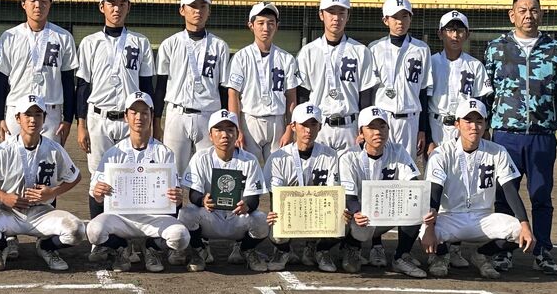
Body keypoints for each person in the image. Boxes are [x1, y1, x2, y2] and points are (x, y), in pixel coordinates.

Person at [484, 0, 557, 276]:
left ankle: (543, 251)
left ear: (541, 14)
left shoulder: (555, 50)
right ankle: (503, 251)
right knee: (504, 195)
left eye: (533, 10)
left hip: (541, 135)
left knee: (541, 195)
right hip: (505, 136)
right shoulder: (496, 48)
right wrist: (484, 127)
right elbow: (486, 92)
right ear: (512, 15)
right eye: (522, 10)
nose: (528, 15)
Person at [420, 98, 536, 279]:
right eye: (468, 121)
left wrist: (525, 224)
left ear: (485, 124)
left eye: (479, 121)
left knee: (521, 231)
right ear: (457, 124)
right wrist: (429, 228)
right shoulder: (441, 153)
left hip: (483, 217)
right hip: (449, 216)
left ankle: (482, 255)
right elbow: (434, 191)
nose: (474, 126)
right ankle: (441, 256)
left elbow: (510, 190)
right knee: (423, 229)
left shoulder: (498, 151)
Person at [0, 95, 84, 272]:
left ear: (44, 118)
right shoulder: (4, 149)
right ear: (18, 118)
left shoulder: (54, 149)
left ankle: (46, 247)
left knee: (76, 230)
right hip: (9, 211)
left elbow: (75, 177)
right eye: (27, 114)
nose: (33, 120)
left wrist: (53, 192)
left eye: (38, 114)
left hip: (41, 211)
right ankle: (2, 248)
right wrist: (3, 197)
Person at [74, 0, 154, 220]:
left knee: (133, 174)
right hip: (99, 117)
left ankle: (128, 231)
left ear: (129, 7)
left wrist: (149, 123)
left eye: (122, 3)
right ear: (102, 7)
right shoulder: (90, 42)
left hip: (132, 119)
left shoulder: (140, 42)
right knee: (98, 177)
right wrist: (81, 125)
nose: (116, 8)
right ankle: (99, 232)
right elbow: (83, 86)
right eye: (111, 3)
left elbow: (147, 87)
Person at [86, 91, 188, 273]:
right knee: (94, 231)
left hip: (153, 218)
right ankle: (121, 247)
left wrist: (177, 198)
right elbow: (95, 194)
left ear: (151, 116)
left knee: (181, 237)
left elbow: (174, 199)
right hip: (122, 218)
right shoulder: (113, 153)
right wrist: (98, 194)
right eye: (134, 112)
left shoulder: (164, 153)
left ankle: (152, 248)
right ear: (126, 117)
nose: (139, 117)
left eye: (144, 113)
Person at [178, 109, 271, 272]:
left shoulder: (249, 160)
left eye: (230, 130)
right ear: (210, 135)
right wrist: (202, 200)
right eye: (219, 130)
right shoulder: (201, 157)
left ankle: (245, 250)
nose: (225, 135)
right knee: (186, 214)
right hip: (211, 216)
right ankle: (200, 251)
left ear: (237, 134)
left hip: (237, 217)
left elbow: (254, 198)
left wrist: (247, 206)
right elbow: (194, 194)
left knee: (262, 220)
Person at [338, 106, 425, 277]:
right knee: (354, 222)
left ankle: (401, 256)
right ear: (361, 132)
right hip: (360, 217)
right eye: (371, 127)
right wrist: (357, 212)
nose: (378, 132)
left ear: (388, 129)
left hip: (386, 211)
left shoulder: (398, 150)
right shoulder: (349, 157)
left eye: (382, 126)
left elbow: (413, 184)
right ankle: (352, 247)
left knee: (417, 202)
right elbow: (350, 196)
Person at [0, 0, 76, 143]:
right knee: (14, 158)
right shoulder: (9, 37)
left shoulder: (63, 37)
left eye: (43, 0)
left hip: (50, 111)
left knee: (48, 159)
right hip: (17, 110)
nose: (38, 5)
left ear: (50, 3)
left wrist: (68, 119)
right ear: (23, 3)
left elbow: (68, 81)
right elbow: (0, 81)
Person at [155, 0, 231, 174]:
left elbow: (223, 89)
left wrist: (225, 123)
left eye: (203, 6)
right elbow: (160, 87)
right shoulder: (170, 44)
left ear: (209, 11)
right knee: (173, 173)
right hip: (177, 113)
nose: (198, 11)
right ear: (182, 10)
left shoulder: (220, 46)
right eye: (193, 6)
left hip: (209, 114)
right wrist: (156, 123)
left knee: (209, 172)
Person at [265, 102, 343, 272]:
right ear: (293, 126)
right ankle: (283, 251)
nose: (308, 130)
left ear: (320, 127)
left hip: (319, 212)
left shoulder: (331, 155)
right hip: (292, 212)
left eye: (313, 124)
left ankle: (319, 250)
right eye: (304, 125)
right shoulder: (278, 158)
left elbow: (333, 193)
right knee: (275, 223)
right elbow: (275, 197)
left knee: (343, 220)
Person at [295, 0, 376, 152]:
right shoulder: (308, 51)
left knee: (351, 168)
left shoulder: (361, 51)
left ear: (348, 16)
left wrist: (363, 128)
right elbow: (303, 95)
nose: (336, 18)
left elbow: (365, 95)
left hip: (350, 126)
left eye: (341, 13)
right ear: (321, 15)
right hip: (319, 126)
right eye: (331, 12)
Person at [224, 1, 301, 168]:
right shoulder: (241, 57)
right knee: (247, 171)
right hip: (250, 120)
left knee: (279, 171)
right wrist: (237, 128)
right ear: (251, 25)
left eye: (271, 23)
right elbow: (233, 95)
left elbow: (291, 96)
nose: (266, 28)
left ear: (277, 26)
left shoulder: (287, 58)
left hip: (277, 121)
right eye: (260, 23)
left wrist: (289, 129)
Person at [369, 0, 431, 163]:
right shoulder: (374, 48)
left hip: (410, 119)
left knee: (407, 168)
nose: (400, 21)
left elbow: (423, 91)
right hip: (383, 118)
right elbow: (369, 91)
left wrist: (422, 129)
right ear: (385, 20)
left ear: (411, 18)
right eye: (395, 17)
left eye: (404, 16)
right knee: (381, 167)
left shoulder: (422, 49)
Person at [426, 10, 490, 153]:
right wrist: (428, 139)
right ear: (440, 34)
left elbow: (482, 102)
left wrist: (484, 130)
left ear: (467, 35)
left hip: (465, 126)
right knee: (435, 166)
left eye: (460, 30)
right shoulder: (430, 63)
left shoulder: (475, 65)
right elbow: (424, 101)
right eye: (449, 30)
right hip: (437, 125)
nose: (455, 35)